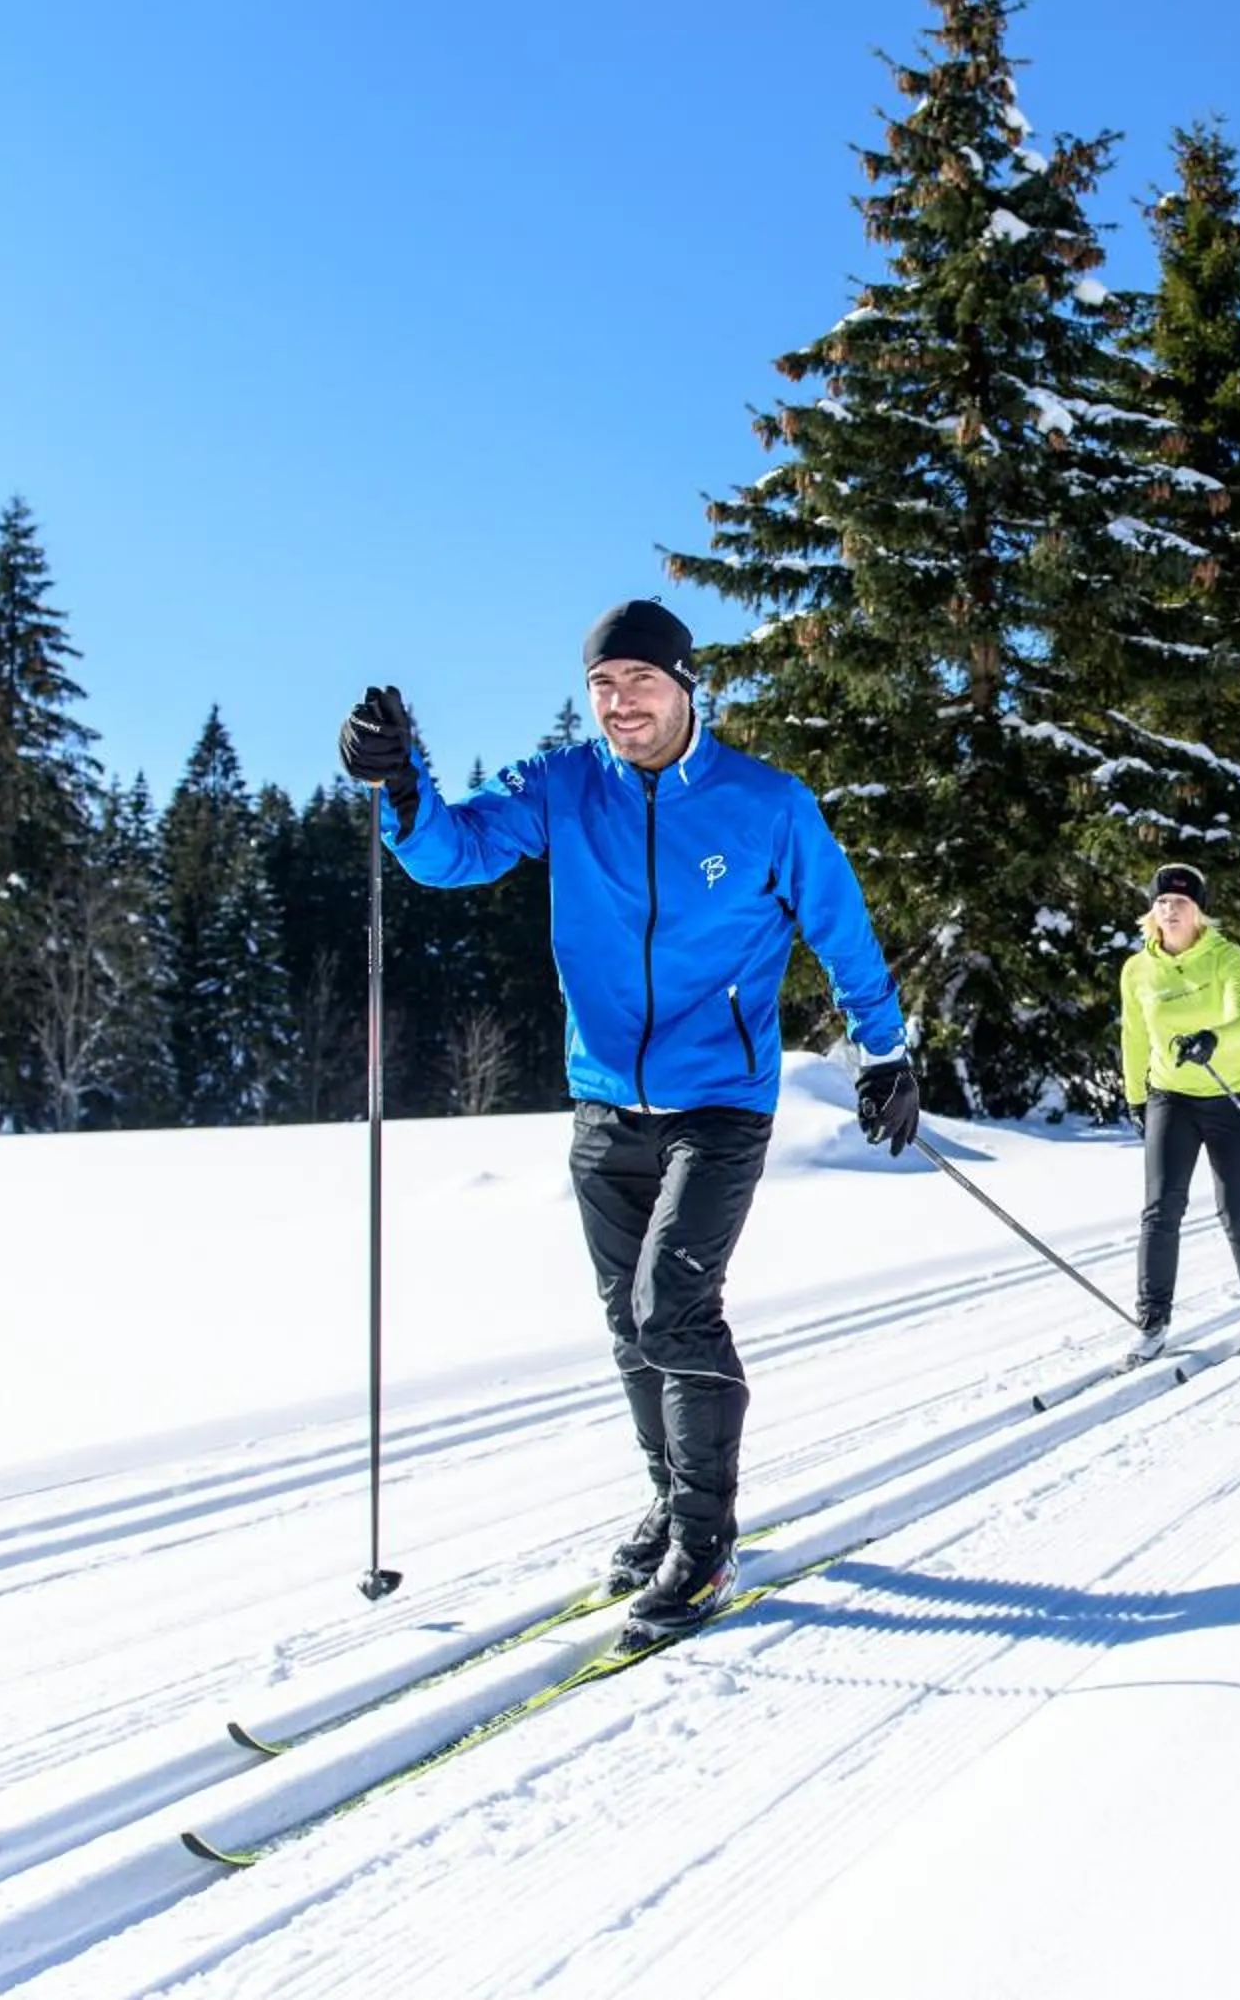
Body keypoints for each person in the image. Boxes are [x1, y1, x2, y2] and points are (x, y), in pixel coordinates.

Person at [336, 598, 919, 1640]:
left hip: (720, 1101)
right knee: (629, 1324)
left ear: (688, 686)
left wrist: (885, 1052)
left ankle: (705, 1539)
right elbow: (450, 854)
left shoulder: (765, 804)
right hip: (605, 1100)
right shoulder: (563, 785)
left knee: (674, 1308)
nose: (619, 702)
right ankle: (669, 1495)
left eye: (640, 680)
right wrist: (403, 782)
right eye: (602, 684)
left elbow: (842, 928)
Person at [1119, 863, 1240, 1361]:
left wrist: (1212, 1038)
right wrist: (1136, 1096)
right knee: (1160, 1210)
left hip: (1231, 1093)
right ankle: (1152, 1321)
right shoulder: (1137, 969)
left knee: (1236, 1212)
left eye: (1181, 902)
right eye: (1162, 902)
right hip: (1171, 1096)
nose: (1170, 910)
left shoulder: (1227, 957)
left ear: (1199, 912)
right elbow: (1134, 1036)